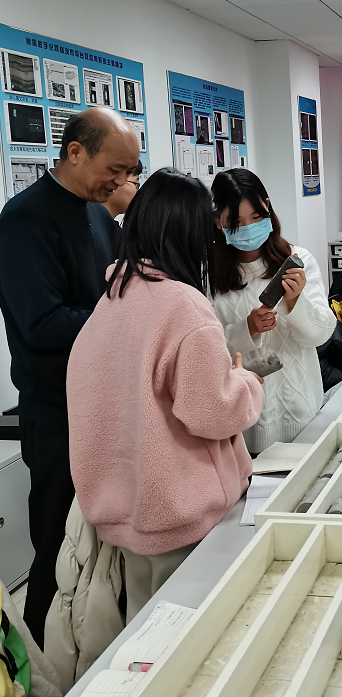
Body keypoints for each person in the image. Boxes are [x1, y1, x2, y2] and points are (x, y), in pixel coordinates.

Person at [67, 169, 264, 620]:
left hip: (125, 514)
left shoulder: (111, 300)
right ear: (190, 234)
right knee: (194, 631)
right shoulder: (184, 306)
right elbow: (211, 411)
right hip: (183, 517)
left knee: (145, 631)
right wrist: (247, 384)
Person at [0, 109, 139, 646]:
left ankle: (94, 654)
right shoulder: (23, 220)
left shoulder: (98, 216)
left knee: (104, 544)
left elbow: (118, 292)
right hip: (57, 415)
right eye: (115, 169)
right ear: (76, 152)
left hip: (106, 403)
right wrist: (125, 319)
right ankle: (42, 667)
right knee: (58, 546)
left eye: (130, 172)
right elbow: (41, 323)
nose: (121, 182)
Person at [211, 169, 335, 452]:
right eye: (236, 222)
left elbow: (321, 335)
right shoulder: (210, 276)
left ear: (267, 206)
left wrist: (296, 302)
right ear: (219, 222)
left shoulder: (299, 260)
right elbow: (206, 352)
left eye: (256, 217)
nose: (248, 227)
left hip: (302, 415)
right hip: (244, 426)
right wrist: (247, 330)